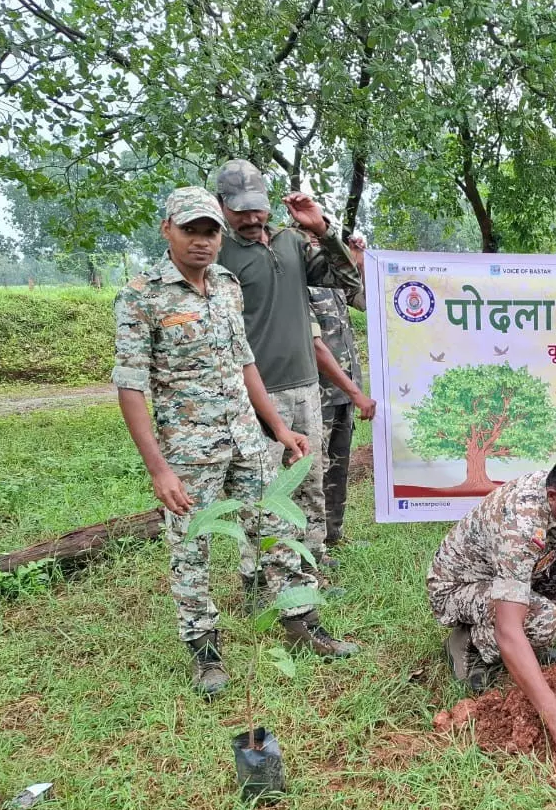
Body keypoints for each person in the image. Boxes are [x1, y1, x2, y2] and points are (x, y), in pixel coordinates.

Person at [111, 187, 356, 698]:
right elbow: (131, 387)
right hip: (188, 449)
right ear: (168, 231)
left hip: (246, 437)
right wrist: (159, 469)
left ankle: (301, 620)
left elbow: (246, 364)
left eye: (209, 232)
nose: (202, 242)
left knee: (274, 524)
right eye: (190, 230)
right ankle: (205, 650)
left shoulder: (225, 285)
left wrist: (279, 428)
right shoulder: (142, 295)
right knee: (191, 547)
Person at [213, 159, 367, 579]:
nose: (251, 217)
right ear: (221, 206)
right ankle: (259, 576)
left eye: (257, 207)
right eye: (240, 209)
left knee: (310, 482)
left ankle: (310, 564)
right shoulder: (217, 253)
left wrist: (322, 230)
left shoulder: (290, 242)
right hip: (253, 391)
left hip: (305, 388)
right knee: (261, 488)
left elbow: (347, 280)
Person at [427, 454, 556, 760]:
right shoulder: (519, 526)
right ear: (553, 497)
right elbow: (509, 630)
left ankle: (527, 648)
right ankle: (467, 641)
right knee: (542, 620)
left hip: (505, 578)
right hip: (459, 588)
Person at [306, 227, 376, 547]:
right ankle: (314, 546)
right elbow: (317, 348)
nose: (315, 244)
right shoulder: (298, 283)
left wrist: (358, 260)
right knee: (314, 474)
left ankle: (334, 535)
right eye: (310, 239)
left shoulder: (332, 282)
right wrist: (355, 392)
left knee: (338, 466)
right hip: (318, 394)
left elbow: (367, 300)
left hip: (344, 394)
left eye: (320, 239)